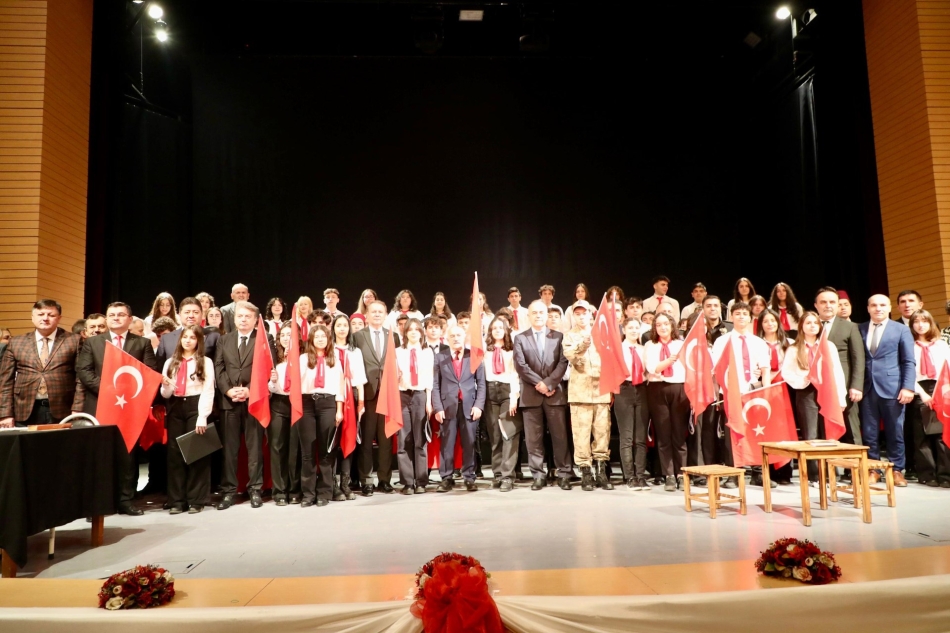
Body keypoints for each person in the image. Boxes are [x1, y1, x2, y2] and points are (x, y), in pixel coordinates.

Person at [76, 302, 158, 515]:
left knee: (127, 456)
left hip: (129, 408)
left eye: (121, 315)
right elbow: (84, 371)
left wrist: (126, 392)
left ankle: (125, 500)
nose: (116, 318)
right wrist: (108, 390)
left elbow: (150, 371)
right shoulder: (93, 342)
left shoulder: (142, 343)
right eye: (111, 315)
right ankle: (99, 503)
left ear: (130, 319)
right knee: (99, 456)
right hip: (99, 405)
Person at [213, 301, 275, 510]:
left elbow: (268, 369)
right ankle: (229, 491)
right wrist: (228, 390)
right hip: (229, 402)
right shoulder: (224, 339)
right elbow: (219, 367)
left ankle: (255, 489)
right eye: (240, 316)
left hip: (254, 401)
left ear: (256, 320)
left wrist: (249, 390)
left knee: (254, 449)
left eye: (248, 316)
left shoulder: (265, 339)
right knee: (229, 450)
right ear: (234, 318)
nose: (243, 319)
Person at [781, 311, 847, 481]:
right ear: (801, 326)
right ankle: (814, 475)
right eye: (808, 323)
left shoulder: (828, 346)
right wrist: (802, 380)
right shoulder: (794, 348)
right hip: (806, 392)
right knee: (810, 433)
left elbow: (837, 372)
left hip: (827, 390)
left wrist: (841, 397)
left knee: (827, 432)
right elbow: (786, 372)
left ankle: (830, 473)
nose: (812, 326)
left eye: (815, 323)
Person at [513, 300, 571, 491]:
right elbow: (521, 366)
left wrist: (549, 383)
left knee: (560, 437)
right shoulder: (520, 338)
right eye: (534, 313)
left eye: (541, 312)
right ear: (528, 316)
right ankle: (538, 475)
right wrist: (541, 384)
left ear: (546, 315)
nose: (538, 315)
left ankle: (564, 473)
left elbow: (563, 363)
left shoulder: (559, 337)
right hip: (531, 395)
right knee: (533, 440)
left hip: (555, 395)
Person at [859, 294, 916, 487]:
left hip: (893, 388)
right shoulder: (860, 328)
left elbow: (908, 361)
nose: (878, 308)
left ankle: (897, 470)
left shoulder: (901, 329)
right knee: (869, 432)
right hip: (867, 388)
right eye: (874, 305)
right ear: (868, 308)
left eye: (882, 305)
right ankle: (873, 469)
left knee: (895, 431)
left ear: (890, 307)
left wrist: (908, 387)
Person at [0, 299, 85, 428]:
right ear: (32, 317)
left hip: (62, 409)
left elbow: (81, 378)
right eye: (40, 314)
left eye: (51, 315)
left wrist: (77, 408)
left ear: (59, 318)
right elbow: (6, 381)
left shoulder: (74, 340)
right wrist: (5, 414)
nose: (45, 318)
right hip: (24, 410)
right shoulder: (16, 342)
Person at [159, 325, 214, 514]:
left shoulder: (205, 362)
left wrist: (202, 416)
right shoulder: (170, 362)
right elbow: (165, 394)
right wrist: (166, 385)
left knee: (196, 453)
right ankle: (177, 501)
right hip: (175, 406)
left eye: (192, 337)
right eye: (185, 337)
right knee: (175, 455)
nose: (188, 340)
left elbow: (208, 390)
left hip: (195, 405)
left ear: (198, 341)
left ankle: (196, 500)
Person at [563, 300, 613, 492]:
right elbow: (571, 356)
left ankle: (601, 472)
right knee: (581, 434)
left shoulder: (602, 333)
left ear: (591, 314)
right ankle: (585, 471)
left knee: (602, 432)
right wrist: (582, 346)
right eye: (577, 314)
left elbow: (610, 357)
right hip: (580, 392)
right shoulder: (569, 335)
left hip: (601, 391)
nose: (581, 316)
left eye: (584, 313)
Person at [432, 325, 487, 492]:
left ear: (464, 337)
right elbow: (435, 384)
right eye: (452, 336)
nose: (456, 338)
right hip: (447, 407)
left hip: (469, 406)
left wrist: (479, 405)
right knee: (447, 444)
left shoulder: (474, 356)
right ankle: (446, 478)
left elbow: (481, 384)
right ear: (447, 339)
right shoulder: (440, 357)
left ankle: (469, 477)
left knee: (469, 442)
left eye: (458, 335)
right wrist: (438, 407)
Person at [352, 300, 398, 495]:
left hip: (388, 395)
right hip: (368, 394)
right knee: (366, 440)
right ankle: (366, 481)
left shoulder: (393, 336)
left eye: (380, 312)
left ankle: (385, 480)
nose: (377, 314)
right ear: (367, 315)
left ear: (385, 315)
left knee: (386, 440)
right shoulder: (357, 336)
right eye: (374, 312)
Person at [296, 324, 345, 507]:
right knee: (308, 452)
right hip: (307, 403)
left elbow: (340, 386)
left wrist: (339, 410)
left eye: (323, 336)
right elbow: (296, 383)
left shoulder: (335, 359)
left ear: (328, 339)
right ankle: (308, 493)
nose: (320, 339)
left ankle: (324, 492)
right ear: (311, 339)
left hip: (328, 404)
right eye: (316, 337)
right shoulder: (303, 359)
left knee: (326, 451)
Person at [815, 287, 865, 449]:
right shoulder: (809, 325)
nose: (828, 305)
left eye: (832, 302)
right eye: (823, 302)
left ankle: (855, 463)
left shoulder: (850, 327)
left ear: (837, 305)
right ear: (816, 305)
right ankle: (827, 463)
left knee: (851, 428)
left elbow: (858, 359)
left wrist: (856, 386)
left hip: (844, 386)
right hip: (817, 387)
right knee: (822, 429)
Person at [644, 313, 688, 492]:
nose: (662, 327)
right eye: (659, 325)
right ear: (654, 328)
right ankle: (669, 474)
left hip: (678, 389)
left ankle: (681, 474)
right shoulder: (650, 345)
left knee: (679, 434)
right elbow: (652, 368)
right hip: (657, 389)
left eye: (666, 324)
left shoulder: (681, 344)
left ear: (672, 326)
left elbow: (690, 367)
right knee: (663, 434)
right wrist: (669, 361)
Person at [907, 310, 950, 487]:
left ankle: (945, 475)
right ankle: (927, 474)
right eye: (916, 321)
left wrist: (943, 391)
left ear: (931, 323)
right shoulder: (909, 345)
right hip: (919, 390)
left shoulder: (941, 345)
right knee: (922, 434)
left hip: (941, 389)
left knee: (942, 433)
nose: (920, 325)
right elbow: (907, 372)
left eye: (924, 321)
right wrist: (922, 394)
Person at [393, 318, 433, 494]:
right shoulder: (398, 352)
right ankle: (408, 482)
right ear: (405, 333)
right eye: (410, 330)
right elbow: (392, 379)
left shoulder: (427, 352)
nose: (414, 332)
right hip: (402, 395)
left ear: (421, 333)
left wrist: (429, 401)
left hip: (420, 395)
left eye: (417, 329)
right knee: (403, 440)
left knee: (420, 440)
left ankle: (421, 481)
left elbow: (430, 378)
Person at [483, 316, 522, 491]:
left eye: (501, 327)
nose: (497, 330)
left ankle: (508, 476)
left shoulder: (512, 350)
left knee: (508, 434)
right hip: (490, 391)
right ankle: (497, 474)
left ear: (506, 330)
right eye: (494, 328)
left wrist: (514, 398)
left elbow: (515, 375)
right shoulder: (485, 351)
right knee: (495, 436)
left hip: (507, 391)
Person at [331, 314, 367, 500]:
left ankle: (345, 484)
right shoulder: (328, 349)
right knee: (332, 442)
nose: (342, 328)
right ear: (333, 328)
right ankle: (332, 485)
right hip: (331, 396)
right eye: (338, 325)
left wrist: (361, 403)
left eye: (345, 325)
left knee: (348, 437)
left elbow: (360, 379)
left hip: (351, 396)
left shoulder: (355, 351)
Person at [615, 318, 648, 489]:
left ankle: (641, 475)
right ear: (624, 329)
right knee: (627, 437)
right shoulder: (618, 349)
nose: (634, 330)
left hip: (642, 390)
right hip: (624, 389)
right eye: (630, 328)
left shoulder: (644, 349)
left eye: (636, 328)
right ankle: (629, 476)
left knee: (640, 437)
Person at [267, 323, 298, 506]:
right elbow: (270, 388)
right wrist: (272, 382)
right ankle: (279, 491)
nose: (286, 338)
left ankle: (294, 490)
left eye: (290, 335)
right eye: (283, 335)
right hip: (278, 403)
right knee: (277, 446)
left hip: (297, 404)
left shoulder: (303, 358)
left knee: (295, 448)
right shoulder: (275, 358)